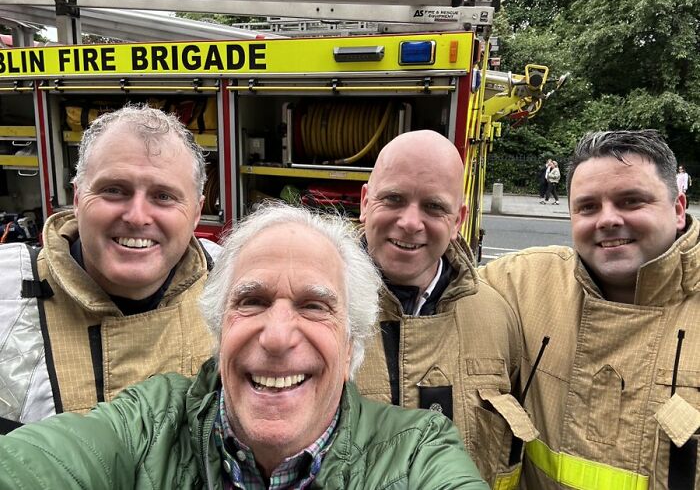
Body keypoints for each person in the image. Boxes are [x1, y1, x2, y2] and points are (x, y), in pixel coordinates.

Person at [0, 202, 489, 490]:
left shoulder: (417, 453)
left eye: (314, 306)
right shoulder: (147, 426)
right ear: (219, 331)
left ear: (351, 346)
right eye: (251, 301)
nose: (277, 336)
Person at [480, 130, 699, 489]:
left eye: (631, 201)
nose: (607, 219)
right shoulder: (523, 283)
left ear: (677, 209)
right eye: (587, 206)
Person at [0, 104, 215, 431]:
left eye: (163, 196)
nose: (137, 216)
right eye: (114, 190)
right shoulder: (7, 297)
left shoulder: (231, 281)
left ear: (197, 213)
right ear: (77, 197)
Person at [355, 130, 532, 487]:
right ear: (364, 202)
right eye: (393, 199)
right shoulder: (314, 309)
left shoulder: (498, 317)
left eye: (434, 207)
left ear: (458, 220)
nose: (410, 222)